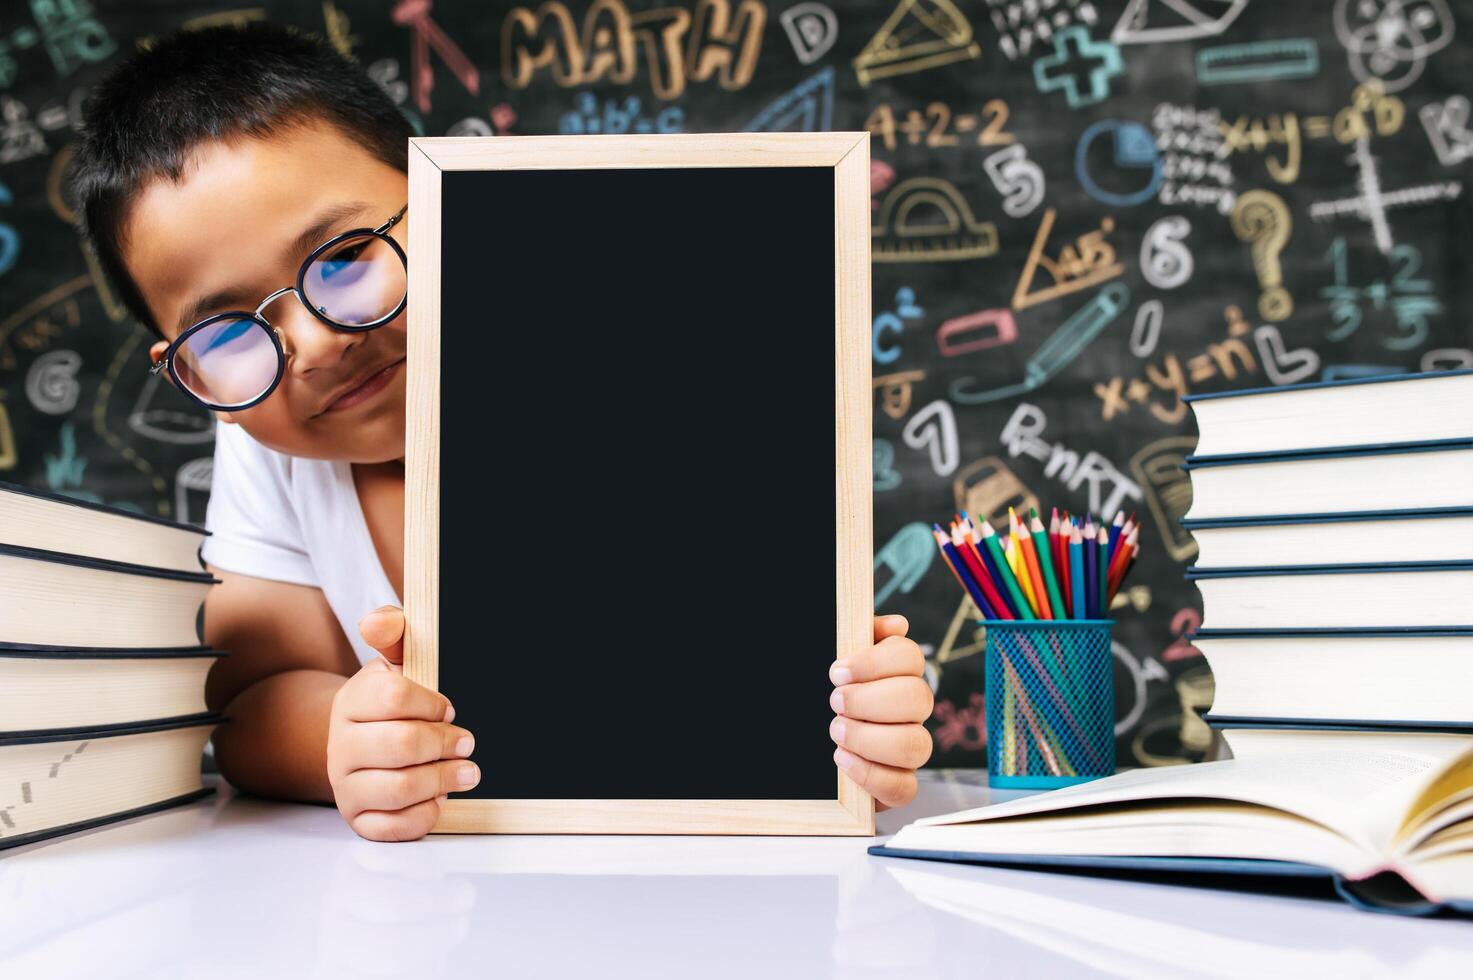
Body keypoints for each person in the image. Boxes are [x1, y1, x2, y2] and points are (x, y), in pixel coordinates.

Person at [67, 22, 933, 841]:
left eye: (344, 258)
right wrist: (340, 740)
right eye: (224, 335)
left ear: (456, 196)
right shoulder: (261, 438)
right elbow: (252, 695)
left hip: (710, 861)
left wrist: (866, 724)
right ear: (185, 366)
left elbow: (758, 630)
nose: (316, 344)